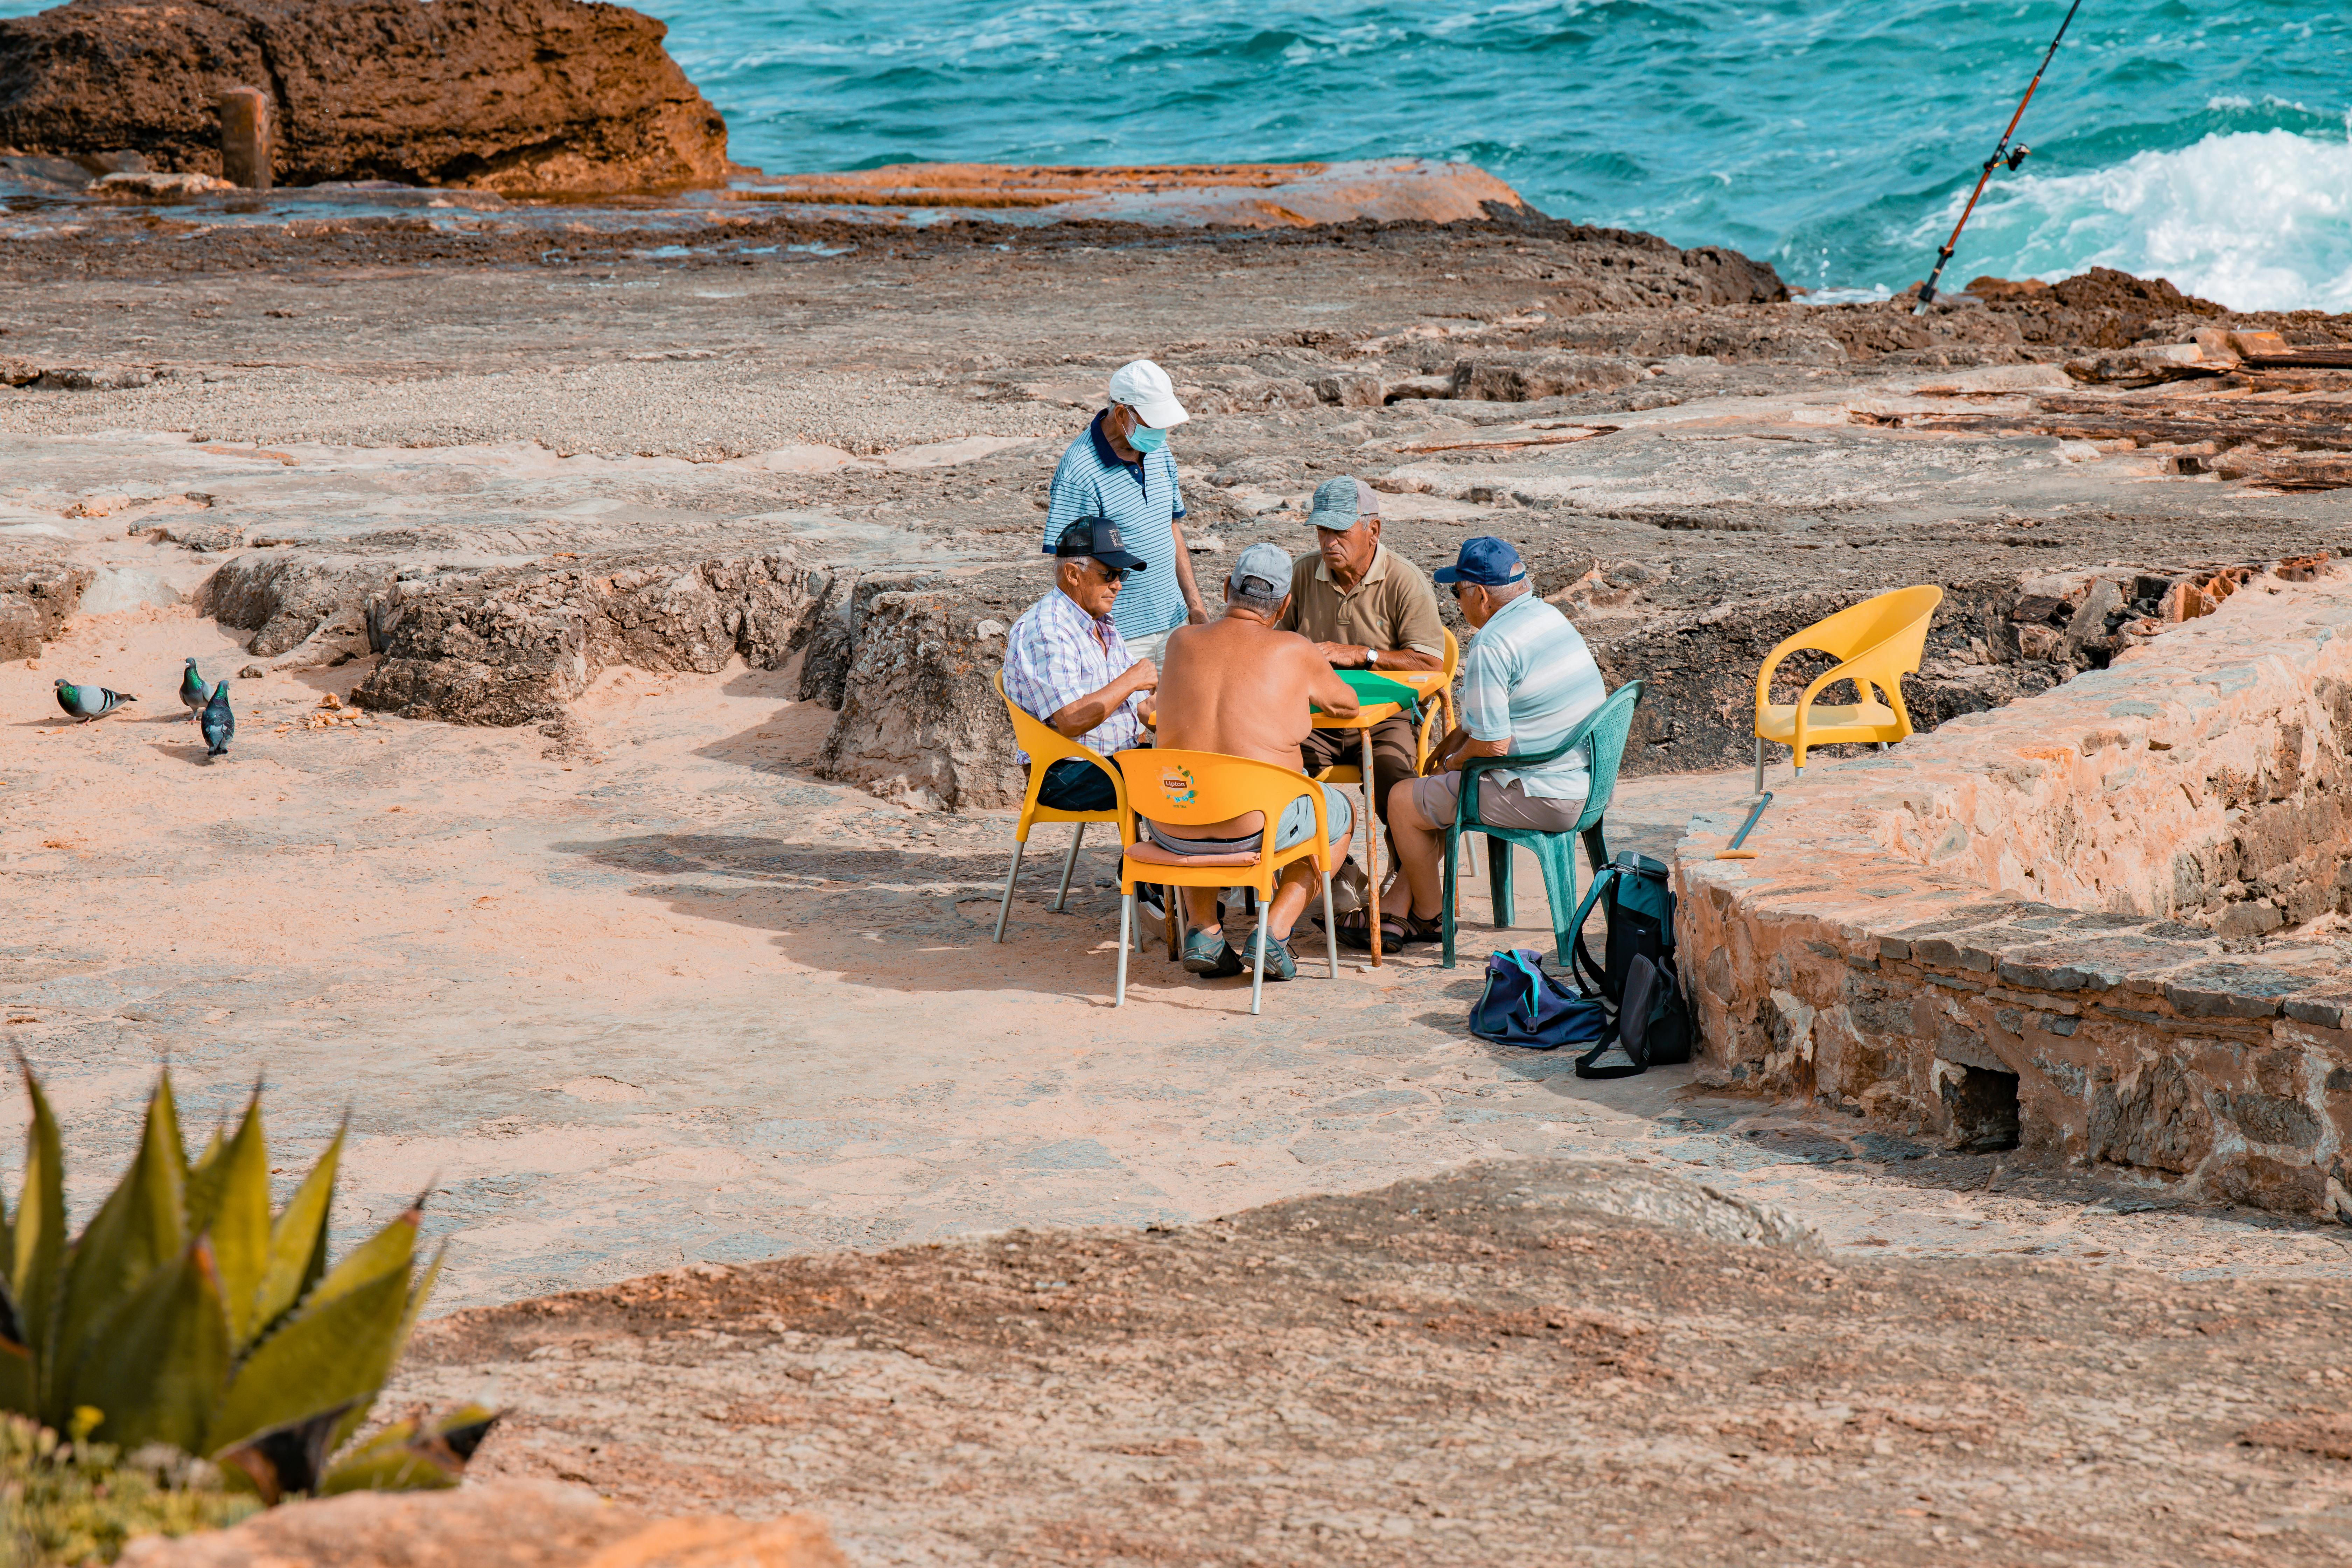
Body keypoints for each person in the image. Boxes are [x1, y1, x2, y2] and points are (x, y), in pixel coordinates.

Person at [1368, 536, 1608, 950]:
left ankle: (1428, 916)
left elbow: (1494, 746)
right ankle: (1400, 901)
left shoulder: (1493, 643)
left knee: (1404, 801)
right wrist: (1457, 743)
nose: (1456, 602)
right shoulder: (1547, 617)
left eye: (1457, 592)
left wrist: (1455, 761)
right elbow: (1508, 708)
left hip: (1543, 794)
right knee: (1438, 794)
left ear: (1480, 595)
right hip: (1584, 782)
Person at [1144, 543, 1359, 981]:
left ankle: (1203, 930)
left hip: (1170, 824)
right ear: (1284, 606)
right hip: (1253, 828)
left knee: (1197, 788)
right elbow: (1348, 704)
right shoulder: (1294, 649)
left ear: (1227, 589)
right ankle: (1274, 932)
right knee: (1338, 815)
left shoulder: (1181, 641)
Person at [1274, 476, 1446, 935]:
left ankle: (1401, 879)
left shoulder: (1402, 579)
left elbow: (1432, 662)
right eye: (1321, 532)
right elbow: (1270, 647)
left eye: (1339, 532)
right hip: (1317, 720)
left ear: (1374, 530)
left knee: (1397, 785)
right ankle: (1338, 871)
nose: (1329, 542)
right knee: (1280, 776)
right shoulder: (1301, 574)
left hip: (1386, 720)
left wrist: (1364, 655)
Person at [1043, 359, 1207, 660]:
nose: (1161, 432)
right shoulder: (1080, 472)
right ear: (1122, 414)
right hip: (1120, 637)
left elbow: (1170, 528)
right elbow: (1068, 567)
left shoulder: (1159, 451)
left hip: (1175, 623)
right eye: (1152, 423)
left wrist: (1194, 607)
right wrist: (1092, 637)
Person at [1003, 516, 1157, 814]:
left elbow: (1143, 708)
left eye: (1121, 575)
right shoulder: (1047, 630)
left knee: (1195, 768)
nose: (1118, 586)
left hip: (1110, 760)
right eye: (1109, 575)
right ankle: (1145, 862)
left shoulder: (1099, 622)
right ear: (1073, 574)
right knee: (1173, 785)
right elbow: (1072, 720)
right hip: (1064, 774)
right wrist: (1132, 679)